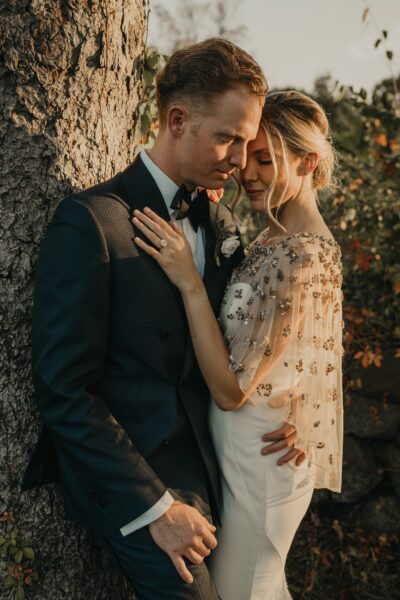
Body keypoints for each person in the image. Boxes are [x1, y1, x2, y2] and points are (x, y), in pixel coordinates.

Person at [21, 38, 298, 599]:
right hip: (137, 475)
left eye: (247, 143)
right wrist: (155, 507)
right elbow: (64, 390)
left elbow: (248, 344)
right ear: (177, 121)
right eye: (228, 138)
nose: (241, 161)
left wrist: (289, 413)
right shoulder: (91, 223)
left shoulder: (220, 225)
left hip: (223, 465)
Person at [133, 89, 344, 599]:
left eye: (266, 160)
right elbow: (309, 347)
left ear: (309, 161)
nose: (247, 173)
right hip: (238, 449)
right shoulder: (271, 238)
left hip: (262, 460)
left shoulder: (302, 257)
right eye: (247, 157)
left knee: (245, 590)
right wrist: (304, 404)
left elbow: (231, 391)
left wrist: (188, 281)